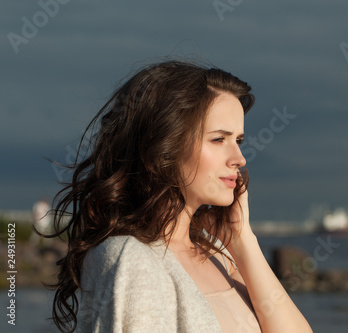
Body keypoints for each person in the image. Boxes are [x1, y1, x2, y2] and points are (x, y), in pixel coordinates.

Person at [48, 60, 312, 333]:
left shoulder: (219, 255)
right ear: (166, 146)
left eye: (239, 141)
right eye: (219, 139)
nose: (239, 159)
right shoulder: (131, 260)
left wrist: (242, 238)